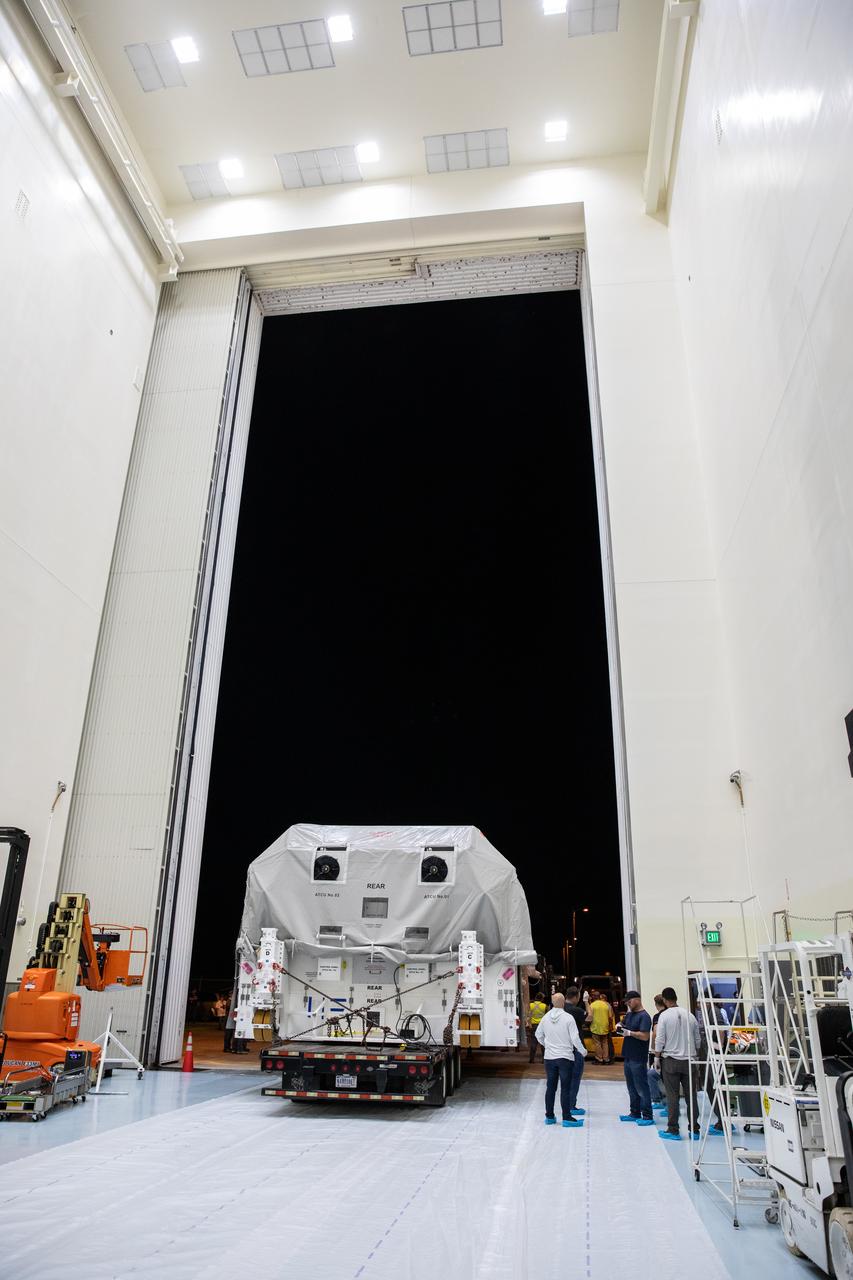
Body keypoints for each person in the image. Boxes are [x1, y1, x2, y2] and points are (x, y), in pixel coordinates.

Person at [654, 986, 701, 1141]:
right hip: (690, 1061)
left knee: (673, 1096)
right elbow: (697, 1040)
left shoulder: (664, 1016)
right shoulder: (690, 1015)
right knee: (691, 1096)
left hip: (671, 1061)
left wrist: (656, 1057)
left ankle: (673, 1129)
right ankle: (694, 1129)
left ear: (665, 1000)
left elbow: (660, 1039)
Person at [536, 992, 587, 1127]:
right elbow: (575, 1038)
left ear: (552, 1003)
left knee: (550, 1087)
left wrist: (547, 1045)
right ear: (563, 1002)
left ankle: (550, 1116)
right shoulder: (568, 1018)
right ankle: (566, 1117)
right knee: (565, 1087)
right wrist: (582, 1051)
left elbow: (538, 1034)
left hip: (549, 1058)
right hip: (565, 1057)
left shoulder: (546, 1018)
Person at [617, 991, 654, 1125]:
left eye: (629, 1001)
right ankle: (634, 1112)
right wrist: (619, 1027)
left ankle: (647, 1116)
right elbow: (623, 1025)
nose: (627, 1003)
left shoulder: (644, 1017)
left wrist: (630, 1033)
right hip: (628, 1055)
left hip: (638, 1057)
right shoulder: (629, 1014)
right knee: (631, 1086)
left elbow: (645, 1036)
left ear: (637, 1000)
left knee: (641, 1087)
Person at [565, 985, 589, 1116]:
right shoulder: (576, 1010)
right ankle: (571, 1105)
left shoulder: (558, 1009)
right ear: (576, 997)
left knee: (565, 1078)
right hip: (575, 1049)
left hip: (563, 1048)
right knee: (575, 1078)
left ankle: (566, 1104)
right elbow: (590, 1018)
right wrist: (586, 1002)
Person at [647, 995, 667, 1111]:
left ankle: (657, 1100)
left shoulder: (658, 1016)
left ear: (656, 1004)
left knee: (652, 1075)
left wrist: (655, 1052)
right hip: (672, 1053)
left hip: (660, 1052)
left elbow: (655, 1033)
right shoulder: (672, 1014)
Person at [588, 990, 614, 1063]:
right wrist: (610, 1026)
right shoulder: (606, 1005)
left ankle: (599, 1058)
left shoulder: (592, 1005)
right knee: (605, 1043)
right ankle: (606, 1058)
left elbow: (590, 1017)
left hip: (595, 1026)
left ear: (594, 997)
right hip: (605, 1027)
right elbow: (610, 1017)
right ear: (599, 996)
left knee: (597, 1043)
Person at [527, 990, 548, 1063]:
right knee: (542, 1043)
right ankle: (544, 1060)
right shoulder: (544, 1006)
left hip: (533, 1025)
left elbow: (529, 1015)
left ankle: (531, 1059)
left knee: (533, 1042)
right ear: (541, 998)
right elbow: (547, 1016)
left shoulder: (531, 1005)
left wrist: (529, 1023)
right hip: (542, 1026)